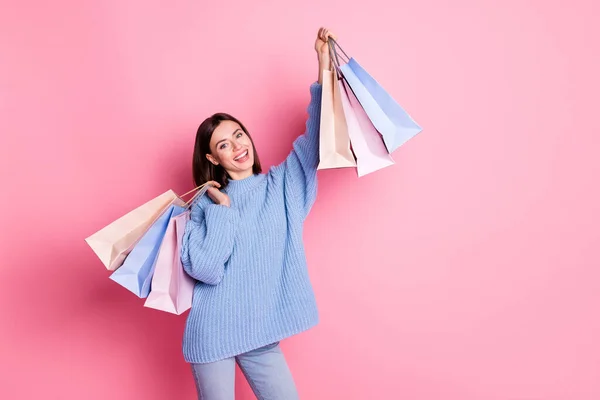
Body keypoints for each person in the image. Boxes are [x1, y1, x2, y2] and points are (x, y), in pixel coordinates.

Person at [180, 27, 335, 400]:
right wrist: (223, 212)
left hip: (261, 331)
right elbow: (204, 269)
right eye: (222, 144)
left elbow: (316, 136)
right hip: (212, 332)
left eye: (238, 135)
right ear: (211, 158)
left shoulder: (283, 185)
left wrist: (323, 67)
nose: (236, 146)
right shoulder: (205, 203)